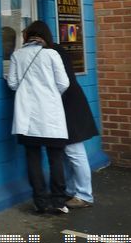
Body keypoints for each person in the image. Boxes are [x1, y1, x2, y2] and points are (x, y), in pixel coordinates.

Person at [7, 21, 70, 214]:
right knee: (55, 159)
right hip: (51, 116)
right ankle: (59, 201)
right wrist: (49, 94)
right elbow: (63, 83)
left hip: (27, 117)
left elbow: (12, 84)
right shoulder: (52, 54)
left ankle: (40, 201)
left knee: (33, 158)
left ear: (28, 36)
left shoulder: (17, 55)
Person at [35, 22, 99, 209]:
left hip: (68, 108)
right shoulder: (56, 50)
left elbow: (62, 82)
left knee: (74, 153)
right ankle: (73, 191)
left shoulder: (52, 52)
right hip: (70, 106)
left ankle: (84, 195)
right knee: (68, 153)